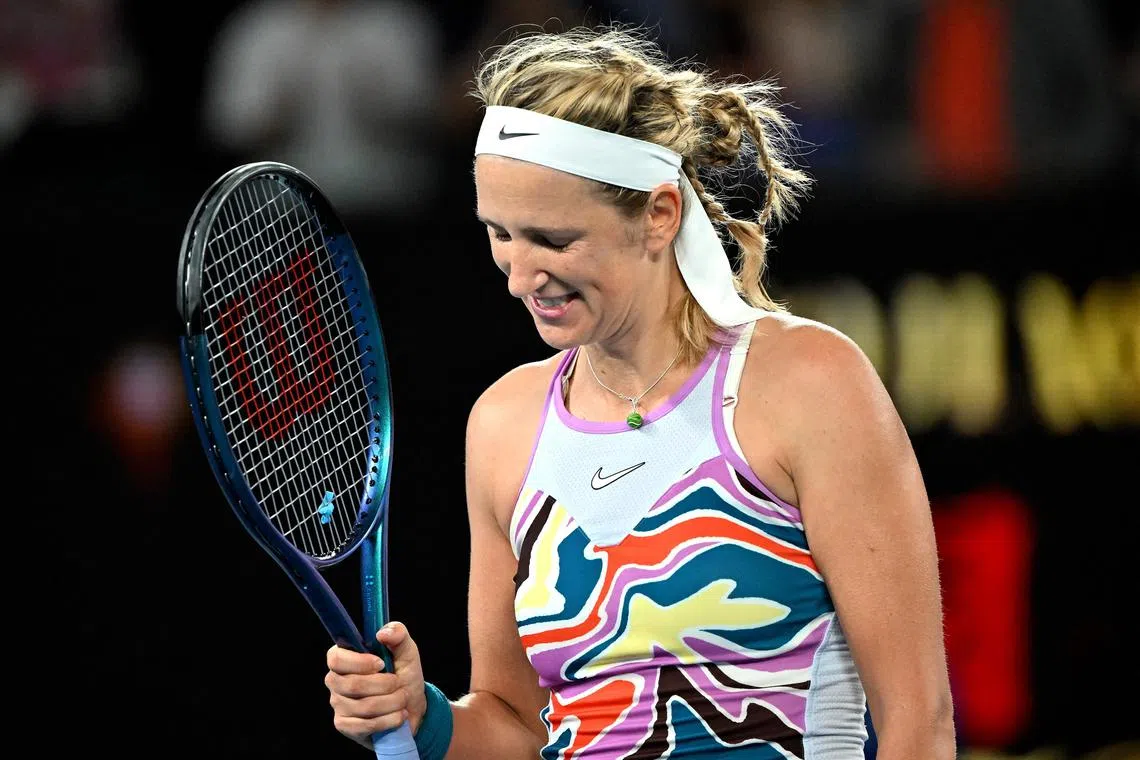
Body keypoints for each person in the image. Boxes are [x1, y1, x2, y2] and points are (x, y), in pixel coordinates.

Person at [324, 25, 956, 760]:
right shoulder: (503, 424)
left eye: (553, 240)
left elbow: (919, 721)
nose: (519, 277)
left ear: (659, 215)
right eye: (499, 234)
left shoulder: (810, 383)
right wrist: (423, 717)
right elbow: (518, 725)